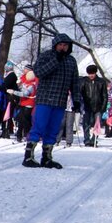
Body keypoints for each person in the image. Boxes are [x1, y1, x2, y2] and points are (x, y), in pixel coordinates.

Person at [25, 33, 82, 168]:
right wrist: (56, 60)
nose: (63, 48)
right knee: (39, 126)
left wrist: (77, 100)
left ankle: (47, 157)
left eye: (65, 45)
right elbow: (39, 72)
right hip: (45, 99)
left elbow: (75, 82)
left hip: (60, 100)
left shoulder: (71, 61)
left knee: (53, 129)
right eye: (60, 45)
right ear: (55, 45)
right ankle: (28, 156)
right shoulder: (46, 56)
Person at [79, 64, 108, 147]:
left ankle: (94, 139)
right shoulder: (84, 81)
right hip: (87, 106)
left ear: (95, 73)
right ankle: (87, 140)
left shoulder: (101, 82)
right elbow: (80, 92)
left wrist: (103, 107)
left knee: (97, 124)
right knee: (86, 123)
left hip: (98, 106)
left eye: (92, 73)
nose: (91, 75)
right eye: (89, 74)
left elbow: (105, 95)